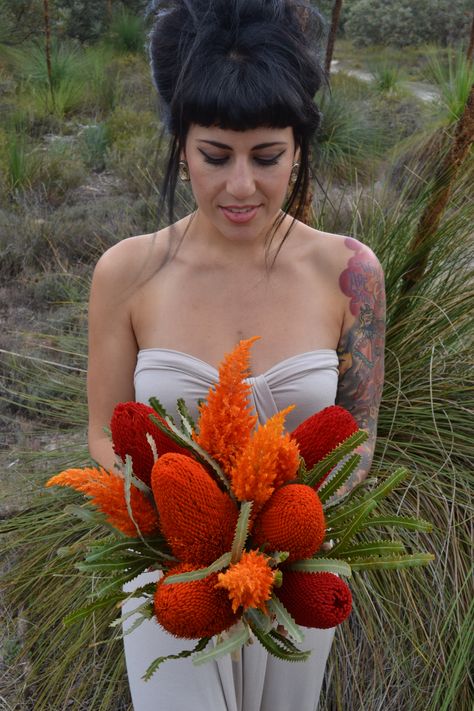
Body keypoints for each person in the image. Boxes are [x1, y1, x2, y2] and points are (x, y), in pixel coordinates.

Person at [86, 1, 385, 709]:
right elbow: (103, 431)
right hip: (175, 581)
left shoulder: (350, 272)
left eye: (268, 157)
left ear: (300, 146)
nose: (241, 186)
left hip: (293, 581)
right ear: (180, 144)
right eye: (215, 157)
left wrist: (286, 531)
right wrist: (179, 525)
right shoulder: (126, 272)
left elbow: (360, 434)